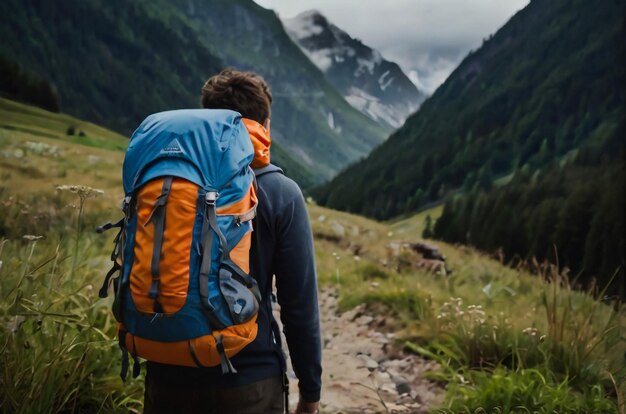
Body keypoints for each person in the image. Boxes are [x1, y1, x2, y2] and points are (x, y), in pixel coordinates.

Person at [143, 68, 322, 414]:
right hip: (249, 382)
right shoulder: (281, 193)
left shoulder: (168, 183)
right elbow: (299, 308)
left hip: (167, 373)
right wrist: (310, 392)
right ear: (265, 126)